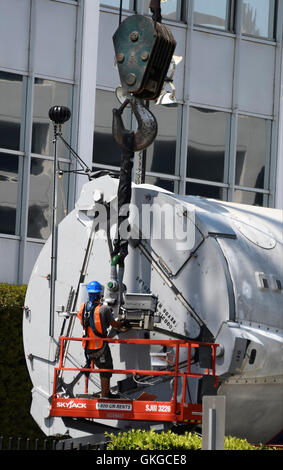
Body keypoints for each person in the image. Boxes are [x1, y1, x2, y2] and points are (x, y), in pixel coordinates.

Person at [77, 280, 129, 399]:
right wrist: (122, 323)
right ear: (100, 294)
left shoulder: (82, 307)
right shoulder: (104, 309)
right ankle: (105, 394)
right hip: (100, 346)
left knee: (101, 367)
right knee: (106, 368)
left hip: (88, 347)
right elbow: (114, 325)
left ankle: (105, 393)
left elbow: (83, 322)